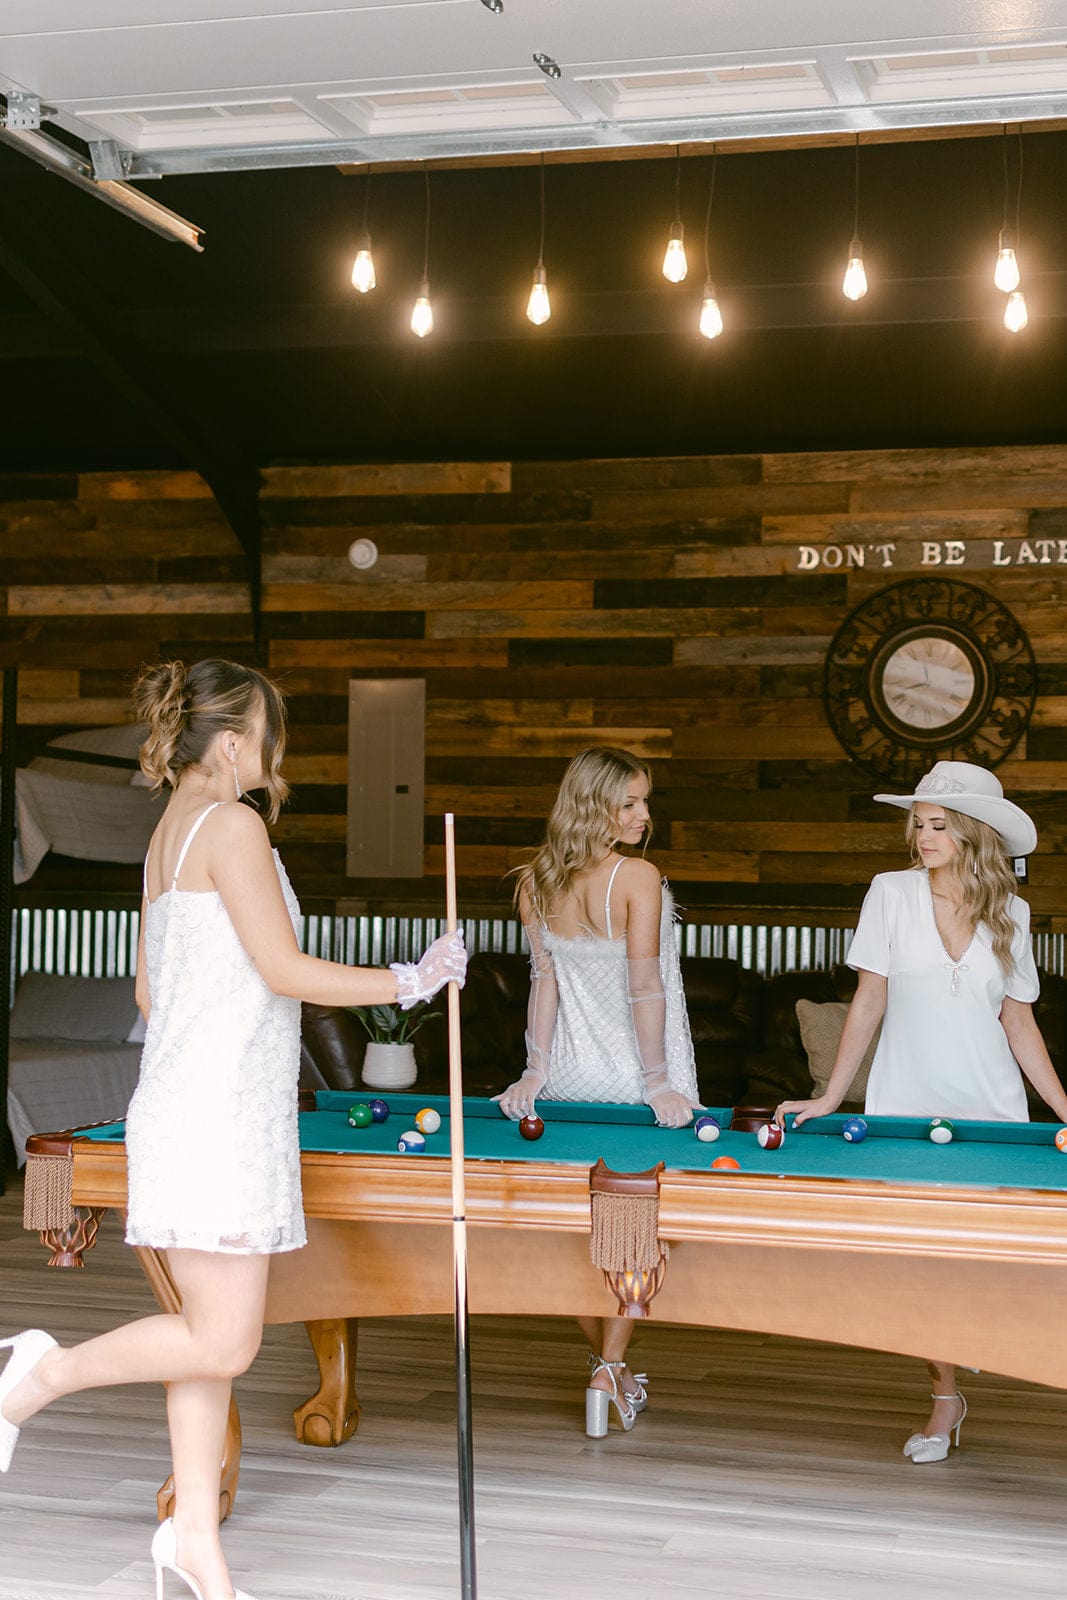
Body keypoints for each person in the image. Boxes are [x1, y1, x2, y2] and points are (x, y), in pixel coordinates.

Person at [0, 658, 467, 1600]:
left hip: (184, 1107)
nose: (276, 747)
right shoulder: (237, 827)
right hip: (217, 1116)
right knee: (226, 1342)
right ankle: (39, 1371)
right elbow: (284, 971)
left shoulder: (168, 834)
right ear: (233, 741)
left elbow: (146, 989)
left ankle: (195, 1549)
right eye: (269, 729)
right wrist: (411, 980)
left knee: (203, 1335)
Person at [777, 759, 1067, 1464]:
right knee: (920, 1266)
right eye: (917, 823)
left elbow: (1018, 1024)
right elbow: (868, 1000)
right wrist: (829, 1096)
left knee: (990, 1266)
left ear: (971, 832)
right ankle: (943, 1397)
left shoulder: (1013, 913)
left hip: (990, 1111)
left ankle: (982, 1349)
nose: (922, 836)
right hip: (903, 1109)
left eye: (937, 824)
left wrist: (1064, 1107)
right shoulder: (889, 894)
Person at [493, 746, 701, 1437]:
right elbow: (645, 985)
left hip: (568, 1077)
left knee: (584, 1240)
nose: (644, 815)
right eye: (630, 802)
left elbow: (542, 986)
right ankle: (609, 1371)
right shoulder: (635, 876)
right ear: (592, 805)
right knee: (632, 1240)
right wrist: (658, 1084)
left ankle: (611, 1368)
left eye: (645, 801)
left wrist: (534, 1072)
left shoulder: (535, 881)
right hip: (637, 1078)